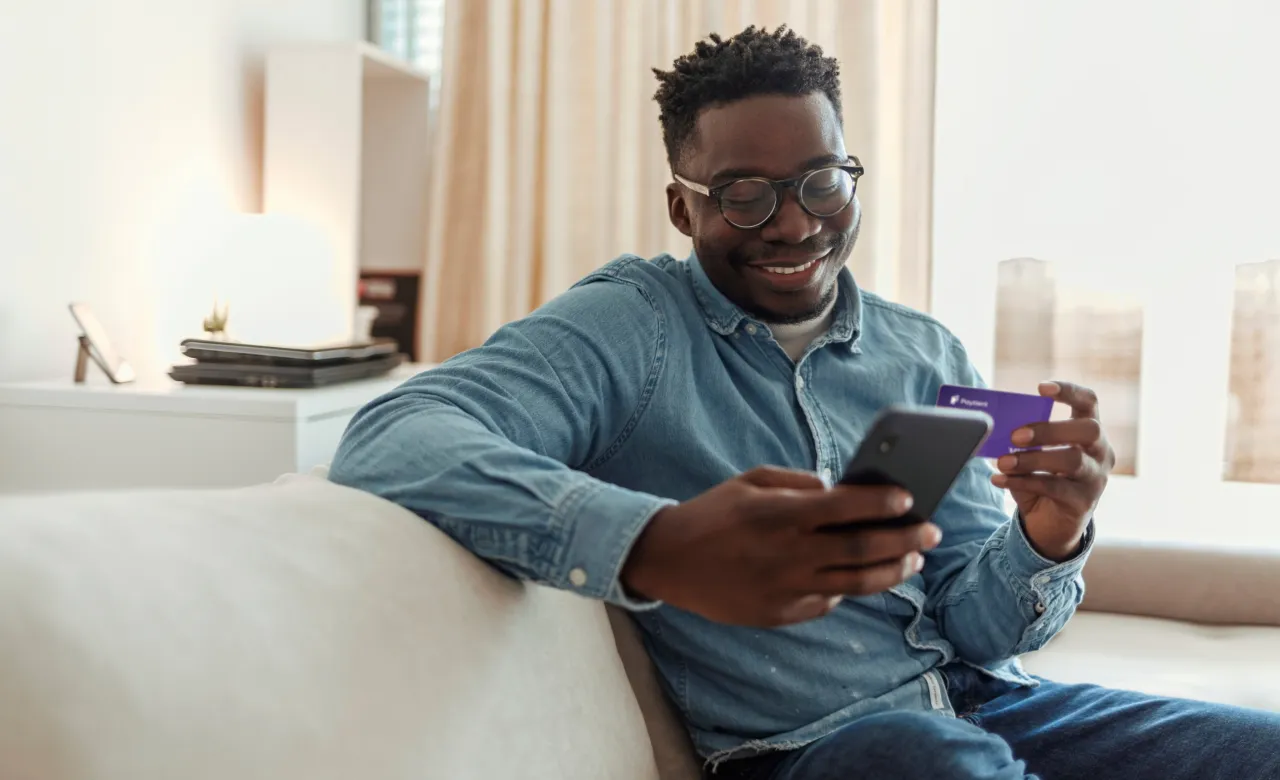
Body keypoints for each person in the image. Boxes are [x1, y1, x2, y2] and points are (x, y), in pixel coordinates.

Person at [329, 25, 1280, 780]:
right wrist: (652, 542)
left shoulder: (920, 348)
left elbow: (981, 630)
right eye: (744, 193)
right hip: (813, 752)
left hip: (987, 704)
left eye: (822, 181)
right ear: (681, 206)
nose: (794, 222)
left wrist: (1048, 534)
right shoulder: (631, 327)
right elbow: (393, 434)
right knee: (929, 763)